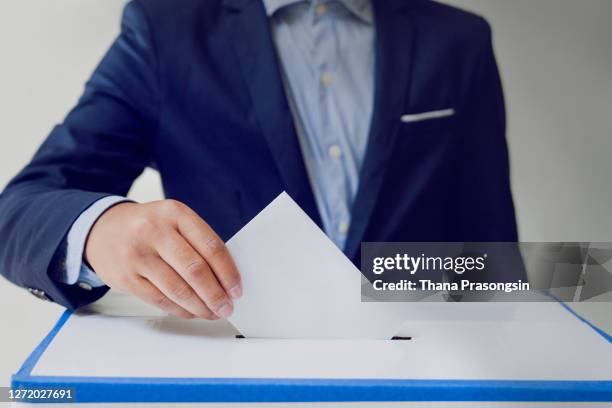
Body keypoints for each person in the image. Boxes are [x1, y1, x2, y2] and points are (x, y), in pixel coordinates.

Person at [0, 0, 518, 319]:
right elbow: (18, 210)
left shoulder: (459, 41)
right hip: (236, 368)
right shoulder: (165, 31)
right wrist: (100, 230)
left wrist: (576, 282)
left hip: (422, 371)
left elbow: (494, 256)